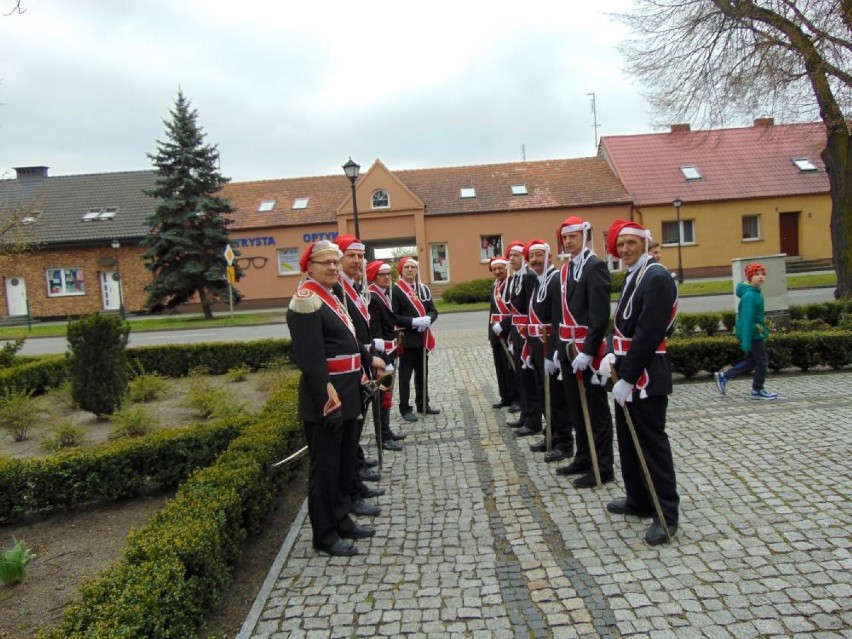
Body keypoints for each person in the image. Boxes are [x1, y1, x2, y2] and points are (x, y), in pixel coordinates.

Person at [286, 240, 386, 556]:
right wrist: (329, 401)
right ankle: (325, 534)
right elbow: (312, 362)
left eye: (335, 262)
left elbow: (350, 338)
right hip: (328, 399)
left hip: (349, 392)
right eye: (324, 262)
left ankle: (342, 520)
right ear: (309, 267)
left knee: (343, 466)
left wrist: (367, 361)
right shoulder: (306, 300)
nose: (332, 267)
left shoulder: (330, 295)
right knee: (325, 471)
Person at [597, 219, 680, 546]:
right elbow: (622, 328)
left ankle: (665, 514)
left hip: (647, 374)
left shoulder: (656, 277)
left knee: (651, 445)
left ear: (645, 243)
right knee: (629, 443)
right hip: (627, 370)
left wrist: (628, 377)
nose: (626, 250)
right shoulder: (635, 275)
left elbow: (648, 334)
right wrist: (609, 354)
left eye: (631, 243)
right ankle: (639, 500)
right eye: (620, 245)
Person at [550, 216, 614, 488]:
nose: (568, 241)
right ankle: (583, 457)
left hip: (587, 351)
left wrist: (588, 351)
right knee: (577, 409)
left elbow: (600, 316)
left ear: (585, 236)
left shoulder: (595, 266)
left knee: (595, 411)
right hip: (567, 349)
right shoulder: (565, 270)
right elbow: (560, 315)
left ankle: (603, 467)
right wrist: (557, 349)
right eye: (565, 237)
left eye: (573, 236)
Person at [336, 235, 386, 521]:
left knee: (356, 429)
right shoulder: (340, 291)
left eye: (360, 256)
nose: (357, 261)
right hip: (352, 370)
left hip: (363, 364)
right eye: (351, 256)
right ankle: (352, 490)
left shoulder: (355, 288)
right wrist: (368, 359)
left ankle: (357, 479)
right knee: (351, 431)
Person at [522, 239, 573, 467]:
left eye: (539, 255)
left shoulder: (554, 280)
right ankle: (550, 433)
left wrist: (553, 353)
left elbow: (557, 318)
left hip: (549, 347)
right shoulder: (537, 280)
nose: (534, 260)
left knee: (557, 397)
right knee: (544, 394)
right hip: (536, 345)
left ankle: (564, 442)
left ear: (549, 257)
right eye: (531, 256)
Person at [714, 262, 778, 400]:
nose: (761, 277)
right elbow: (746, 319)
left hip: (756, 332)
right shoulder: (750, 296)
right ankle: (757, 390)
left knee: (752, 361)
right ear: (750, 277)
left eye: (762, 274)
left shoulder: (754, 292)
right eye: (756, 274)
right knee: (762, 361)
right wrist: (747, 341)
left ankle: (725, 376)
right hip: (754, 334)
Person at [392, 256, 439, 421]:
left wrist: (428, 320)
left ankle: (423, 404)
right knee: (405, 377)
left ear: (417, 270)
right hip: (405, 340)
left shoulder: (423, 289)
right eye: (407, 267)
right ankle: (405, 408)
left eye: (413, 267)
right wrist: (413, 321)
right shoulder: (396, 290)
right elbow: (394, 316)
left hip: (422, 338)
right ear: (401, 270)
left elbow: (433, 310)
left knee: (422, 374)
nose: (410, 270)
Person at [366, 259, 407, 446]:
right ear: (374, 277)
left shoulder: (383, 294)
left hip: (389, 351)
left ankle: (386, 430)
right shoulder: (372, 296)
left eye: (389, 274)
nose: (387, 277)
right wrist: (382, 358)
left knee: (387, 395)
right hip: (382, 355)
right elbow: (375, 332)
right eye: (382, 274)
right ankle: (382, 436)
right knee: (382, 396)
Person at [502, 240, 538, 430]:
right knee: (521, 378)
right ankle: (525, 415)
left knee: (528, 378)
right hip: (516, 332)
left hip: (525, 332)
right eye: (510, 256)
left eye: (515, 255)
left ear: (523, 257)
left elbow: (533, 308)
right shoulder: (515, 278)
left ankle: (533, 420)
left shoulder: (529, 277)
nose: (512, 259)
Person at [488, 256, 519, 410]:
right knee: (500, 366)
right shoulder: (493, 287)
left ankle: (516, 399)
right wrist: (491, 333)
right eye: (494, 269)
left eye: (500, 268)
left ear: (506, 268)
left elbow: (517, 311)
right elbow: (492, 311)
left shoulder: (513, 284)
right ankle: (505, 396)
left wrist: (504, 325)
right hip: (496, 332)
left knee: (511, 366)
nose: (498, 271)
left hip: (509, 331)